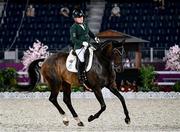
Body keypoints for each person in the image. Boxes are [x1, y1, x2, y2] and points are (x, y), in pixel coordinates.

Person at [70, 9, 100, 84]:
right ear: (75, 18)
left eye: (82, 17)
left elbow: (89, 32)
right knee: (82, 59)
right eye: (79, 17)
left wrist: (94, 37)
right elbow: (73, 40)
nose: (81, 18)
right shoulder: (73, 27)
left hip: (87, 45)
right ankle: (81, 75)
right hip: (79, 47)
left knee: (96, 53)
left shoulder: (85, 24)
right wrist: (82, 43)